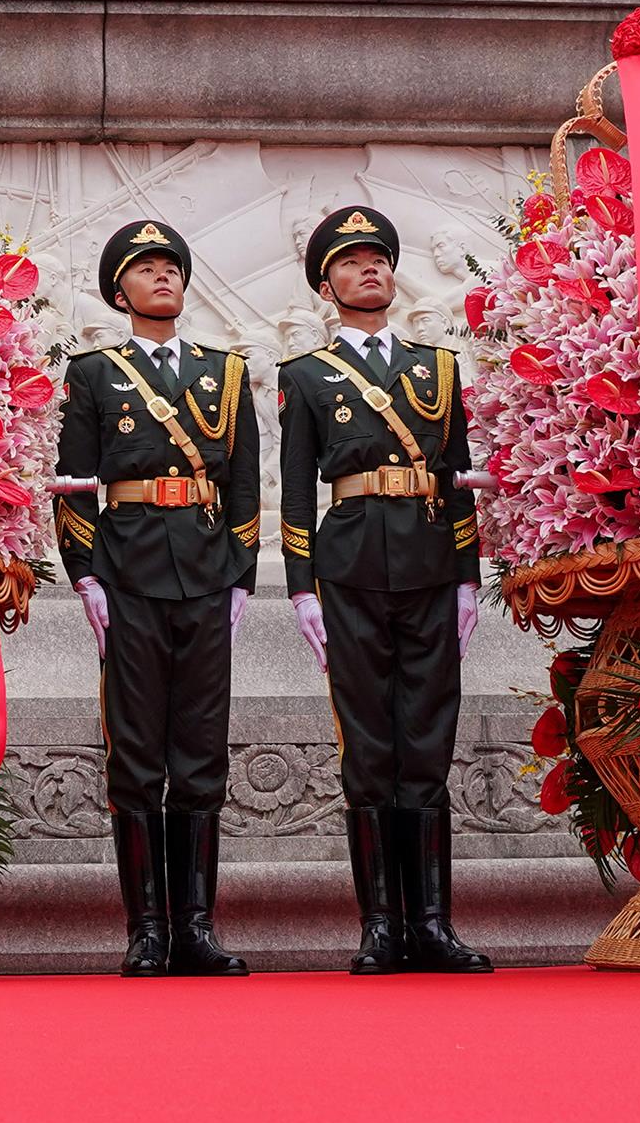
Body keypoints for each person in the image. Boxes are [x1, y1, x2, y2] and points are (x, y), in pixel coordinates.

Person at [277, 205, 488, 975]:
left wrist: (467, 578)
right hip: (351, 565)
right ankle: (380, 927)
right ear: (325, 286)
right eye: (351, 261)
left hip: (430, 562)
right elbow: (294, 489)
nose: (370, 269)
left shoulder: (439, 369)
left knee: (428, 738)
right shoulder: (305, 377)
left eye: (379, 259)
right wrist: (301, 588)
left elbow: (457, 478)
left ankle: (431, 924)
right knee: (368, 744)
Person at [55, 219, 263, 977]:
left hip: (205, 572)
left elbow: (245, 481)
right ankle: (146, 930)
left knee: (201, 750)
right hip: (129, 572)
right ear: (120, 293)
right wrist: (85, 572)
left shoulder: (224, 373)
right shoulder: (94, 374)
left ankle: (196, 929)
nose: (163, 277)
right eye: (145, 269)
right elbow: (74, 481)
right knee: (138, 750)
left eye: (170, 266)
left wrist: (240, 571)